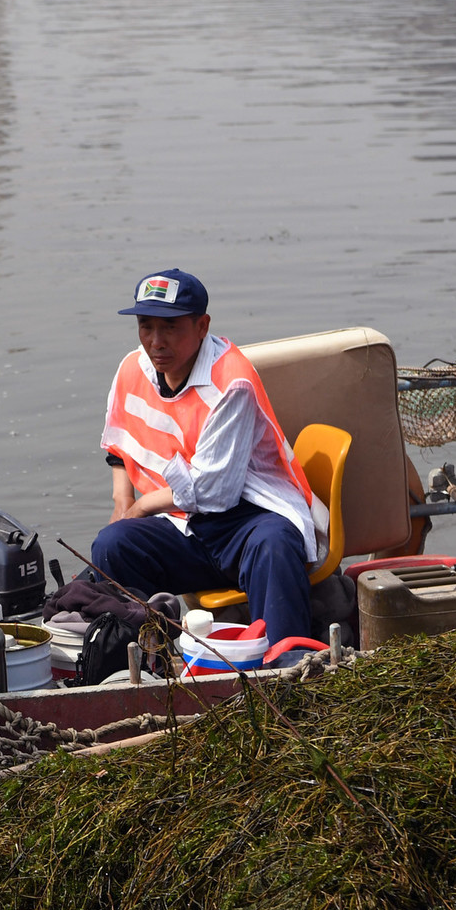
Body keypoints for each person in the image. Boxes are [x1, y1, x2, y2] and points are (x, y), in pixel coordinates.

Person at [90, 268, 328, 644]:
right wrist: (123, 503)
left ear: (202, 326)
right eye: (146, 326)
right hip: (182, 522)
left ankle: (286, 664)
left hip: (247, 516)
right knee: (112, 545)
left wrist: (141, 508)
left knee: (275, 545)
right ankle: (152, 659)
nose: (156, 341)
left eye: (170, 327)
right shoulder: (133, 368)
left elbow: (215, 492)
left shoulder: (232, 382)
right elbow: (120, 446)